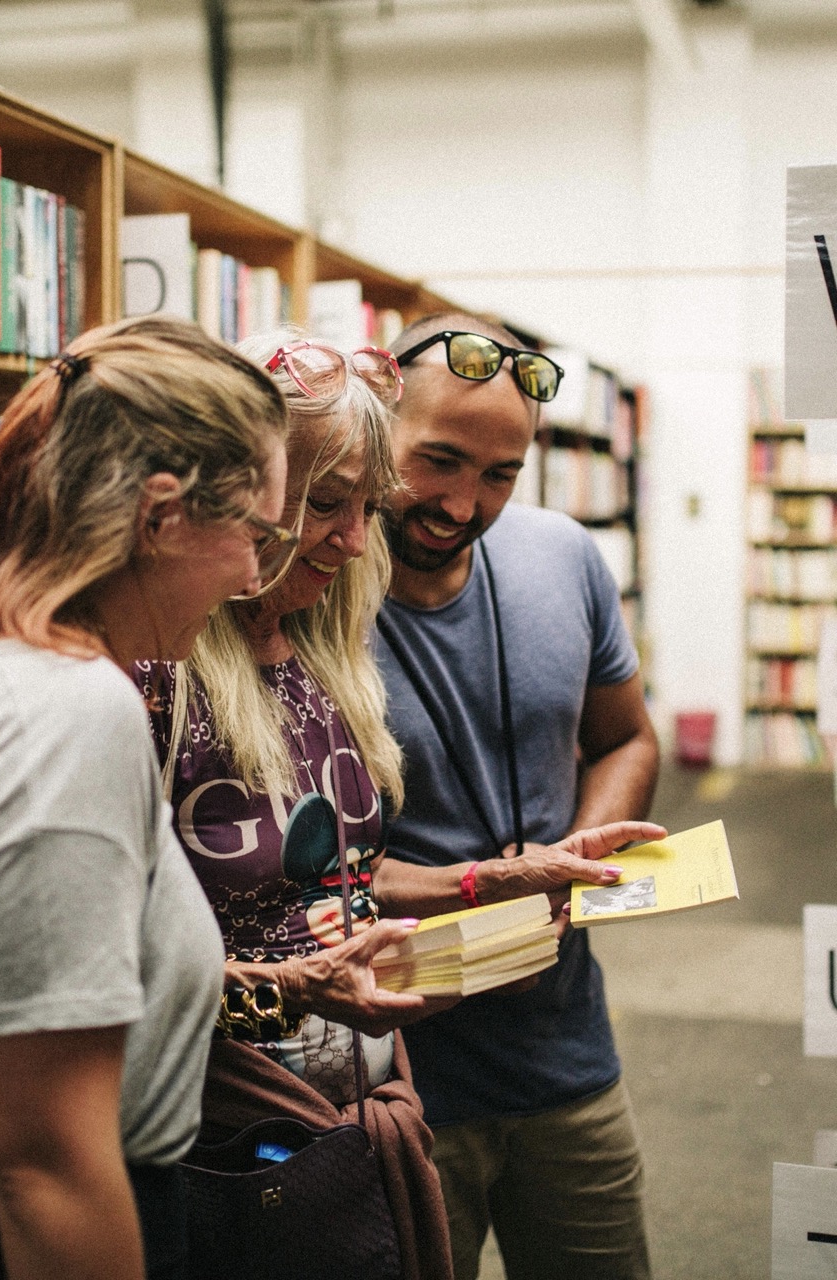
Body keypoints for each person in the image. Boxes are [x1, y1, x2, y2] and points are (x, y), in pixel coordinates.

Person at [137, 333, 662, 1280]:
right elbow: (105, 980)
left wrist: (497, 880)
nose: (357, 539)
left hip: (376, 1099)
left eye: (501, 474)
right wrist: (298, 991)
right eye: (327, 503)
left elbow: (341, 875)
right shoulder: (156, 668)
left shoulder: (319, 645)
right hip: (235, 1133)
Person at [0, 314, 292, 1280]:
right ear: (161, 515)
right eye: (255, 531)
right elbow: (48, 1163)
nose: (257, 574)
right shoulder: (70, 713)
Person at [372, 312, 662, 1280]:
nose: (464, 504)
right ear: (376, 417)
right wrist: (480, 891)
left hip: (565, 1051)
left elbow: (625, 736)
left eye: (500, 475)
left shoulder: (564, 555)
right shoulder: (307, 589)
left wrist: (569, 862)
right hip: (393, 1078)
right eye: (439, 461)